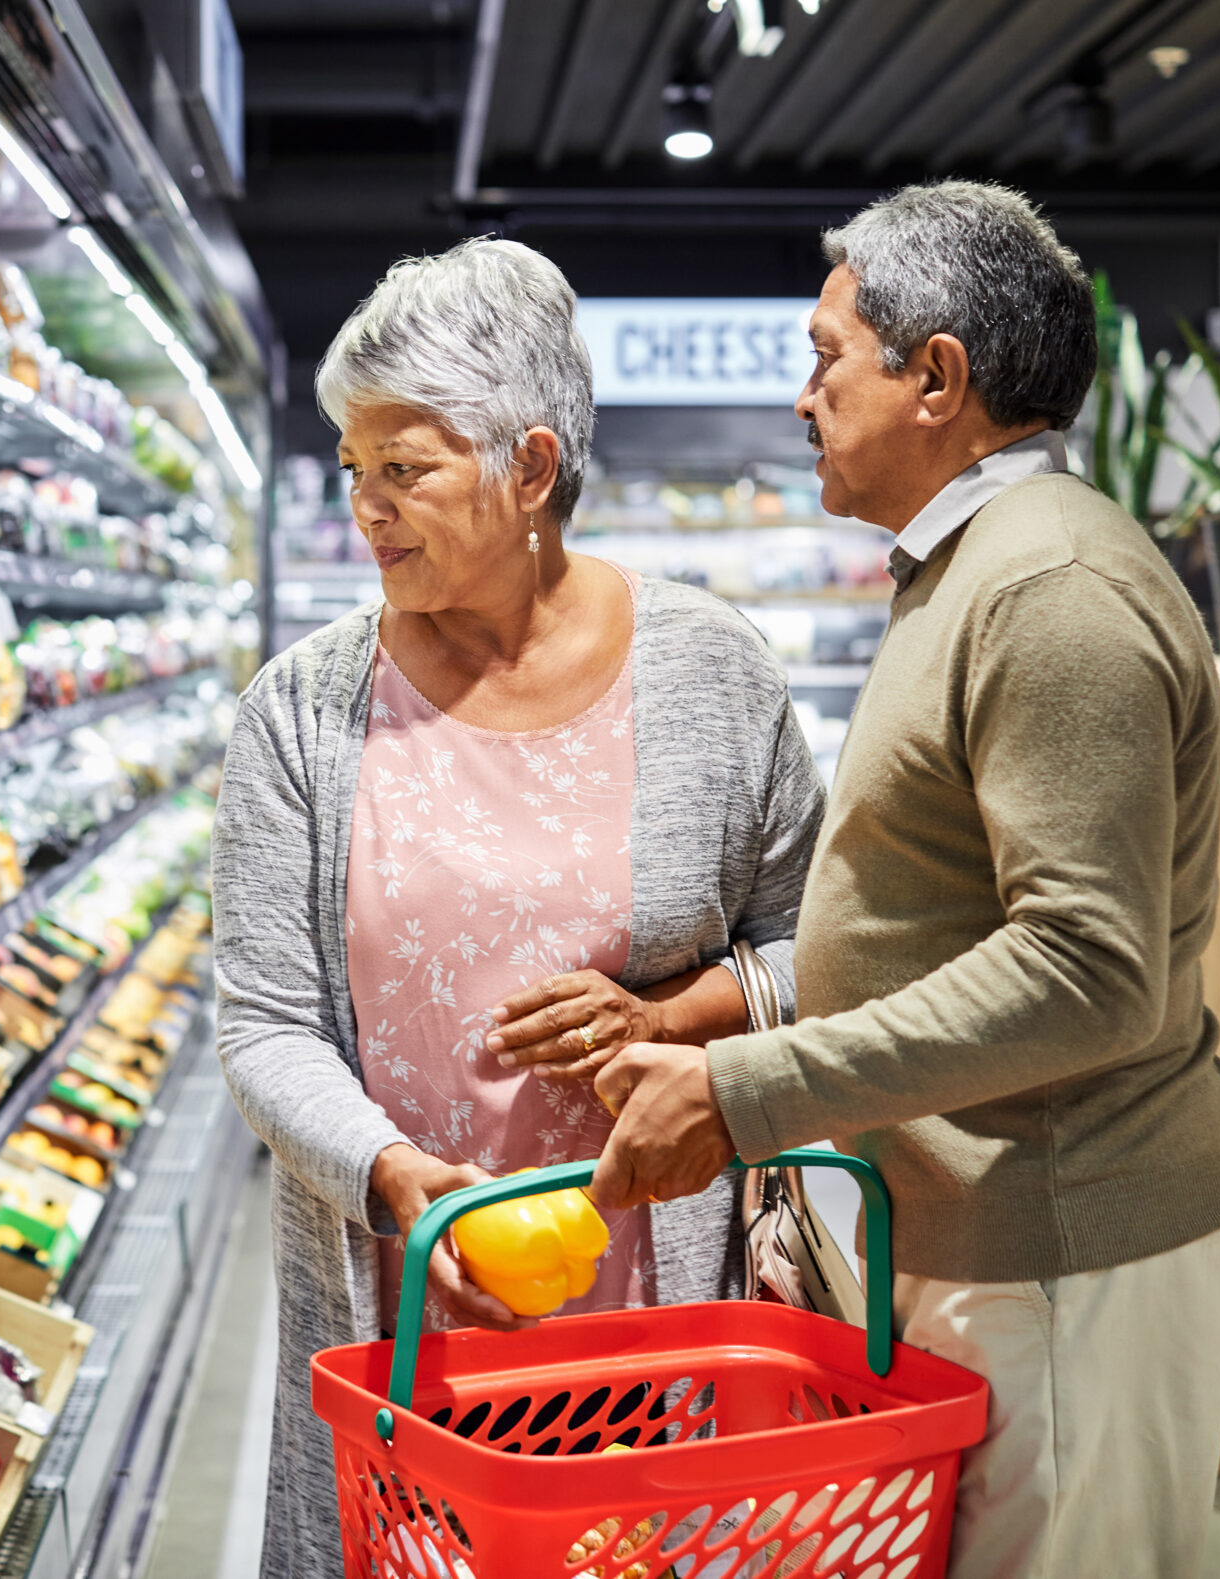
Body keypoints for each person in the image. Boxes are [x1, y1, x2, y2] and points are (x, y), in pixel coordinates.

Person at [589, 181, 1220, 1579]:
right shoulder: (968, 570)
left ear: (938, 377)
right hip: (990, 1229)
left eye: (828, 356)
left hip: (1065, 1237)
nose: (801, 398)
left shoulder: (1049, 588)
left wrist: (743, 1089)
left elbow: (1088, 973)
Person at [211, 237, 824, 1578]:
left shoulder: (714, 676)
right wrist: (393, 1181)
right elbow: (262, 1025)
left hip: (656, 1319)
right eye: (354, 467)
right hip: (406, 1315)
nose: (367, 504)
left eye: (407, 467)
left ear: (531, 469)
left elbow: (818, 947)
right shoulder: (302, 712)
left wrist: (679, 1010)